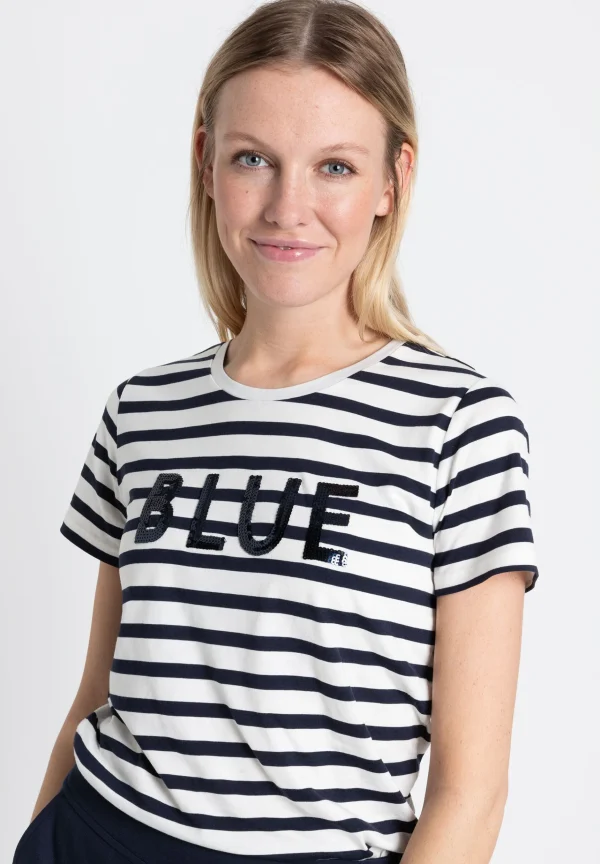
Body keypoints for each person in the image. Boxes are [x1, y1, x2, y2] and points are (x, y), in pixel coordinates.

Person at [12, 1, 540, 863]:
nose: (289, 206)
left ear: (392, 181)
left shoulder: (460, 426)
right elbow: (93, 699)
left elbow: (471, 795)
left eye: (335, 166)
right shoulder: (142, 410)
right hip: (92, 836)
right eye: (253, 158)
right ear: (206, 162)